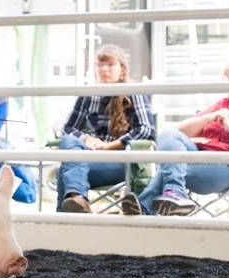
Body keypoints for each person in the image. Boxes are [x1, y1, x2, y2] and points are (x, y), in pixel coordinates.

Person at [122, 59, 229, 216]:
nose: (225, 81)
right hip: (202, 153)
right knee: (169, 135)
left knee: (173, 168)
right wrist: (210, 117)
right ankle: (174, 192)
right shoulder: (224, 104)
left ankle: (146, 205)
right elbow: (181, 132)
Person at [56, 44, 155, 213]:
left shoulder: (134, 91)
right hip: (89, 158)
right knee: (69, 144)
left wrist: (110, 146)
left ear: (122, 69)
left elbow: (147, 130)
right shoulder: (88, 94)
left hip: (121, 161)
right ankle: (77, 199)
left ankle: (68, 220)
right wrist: (87, 139)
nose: (104, 70)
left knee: (66, 171)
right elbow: (67, 128)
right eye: (100, 65)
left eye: (110, 65)